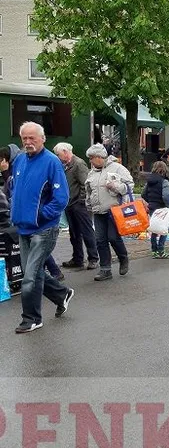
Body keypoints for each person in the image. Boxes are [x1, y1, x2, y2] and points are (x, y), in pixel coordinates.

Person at [9, 122, 74, 334]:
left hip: (43, 229)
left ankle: (31, 319)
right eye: (24, 138)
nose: (28, 142)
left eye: (32, 138)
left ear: (43, 139)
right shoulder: (19, 160)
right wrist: (16, 212)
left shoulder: (51, 162)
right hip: (23, 227)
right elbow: (15, 189)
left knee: (29, 277)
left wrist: (40, 215)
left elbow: (61, 198)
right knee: (33, 273)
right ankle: (61, 294)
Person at [85, 144, 133, 281]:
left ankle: (123, 258)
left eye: (91, 158)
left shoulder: (118, 168)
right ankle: (105, 269)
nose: (90, 161)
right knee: (100, 240)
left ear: (99, 157)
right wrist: (88, 203)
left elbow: (129, 185)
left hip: (114, 210)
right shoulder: (92, 172)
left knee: (113, 237)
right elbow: (89, 190)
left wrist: (115, 186)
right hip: (98, 210)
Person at [53, 143, 98, 270]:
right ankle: (78, 258)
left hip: (79, 204)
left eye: (59, 154)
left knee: (87, 231)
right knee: (74, 233)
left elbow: (86, 184)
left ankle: (93, 258)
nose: (58, 157)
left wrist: (81, 200)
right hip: (70, 204)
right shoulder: (65, 166)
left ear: (66, 152)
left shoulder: (78, 164)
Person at [142, 161, 169, 259]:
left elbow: (143, 194)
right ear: (164, 169)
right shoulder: (164, 181)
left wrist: (150, 202)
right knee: (164, 229)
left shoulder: (149, 181)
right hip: (162, 207)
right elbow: (166, 196)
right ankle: (161, 250)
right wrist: (168, 205)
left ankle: (154, 251)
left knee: (154, 229)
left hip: (152, 208)